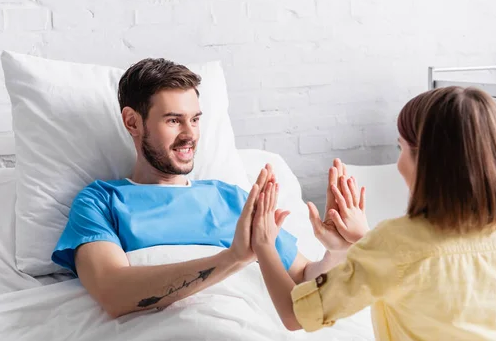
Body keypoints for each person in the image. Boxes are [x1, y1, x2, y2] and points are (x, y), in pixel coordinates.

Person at [51, 58, 359, 319]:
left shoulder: (233, 199)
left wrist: (337, 251)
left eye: (195, 119)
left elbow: (305, 278)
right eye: (174, 121)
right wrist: (232, 258)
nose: (190, 135)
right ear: (133, 123)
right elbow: (112, 292)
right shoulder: (101, 201)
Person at [252, 86, 496, 341]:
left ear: (426, 162)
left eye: (400, 148)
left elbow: (294, 315)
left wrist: (264, 244)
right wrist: (363, 243)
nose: (398, 163)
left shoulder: (393, 245)